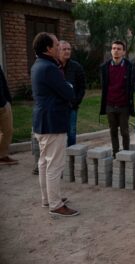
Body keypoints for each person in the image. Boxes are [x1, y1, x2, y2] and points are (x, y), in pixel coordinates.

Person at [31, 32, 79, 216]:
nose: (60, 47)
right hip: (53, 122)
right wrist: (70, 87)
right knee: (54, 165)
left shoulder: (38, 65)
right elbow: (68, 92)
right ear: (48, 49)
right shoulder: (49, 68)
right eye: (57, 45)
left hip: (42, 121)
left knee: (44, 162)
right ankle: (56, 205)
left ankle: (48, 199)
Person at [99, 40, 135, 157]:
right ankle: (115, 153)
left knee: (124, 132)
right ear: (111, 51)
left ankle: (126, 154)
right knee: (113, 131)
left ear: (123, 52)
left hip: (124, 105)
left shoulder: (129, 67)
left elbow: (132, 85)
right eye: (114, 48)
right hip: (110, 104)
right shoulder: (105, 67)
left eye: (119, 49)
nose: (116, 51)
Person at [58, 40, 86, 146]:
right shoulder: (53, 66)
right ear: (58, 50)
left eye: (69, 49)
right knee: (58, 134)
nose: (67, 51)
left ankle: (72, 156)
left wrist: (75, 102)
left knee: (71, 132)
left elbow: (82, 87)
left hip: (71, 107)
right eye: (64, 49)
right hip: (57, 107)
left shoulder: (76, 67)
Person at [0, 65, 18, 165]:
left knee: (7, 130)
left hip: (3, 103)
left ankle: (2, 155)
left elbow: (3, 82)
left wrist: (7, 100)